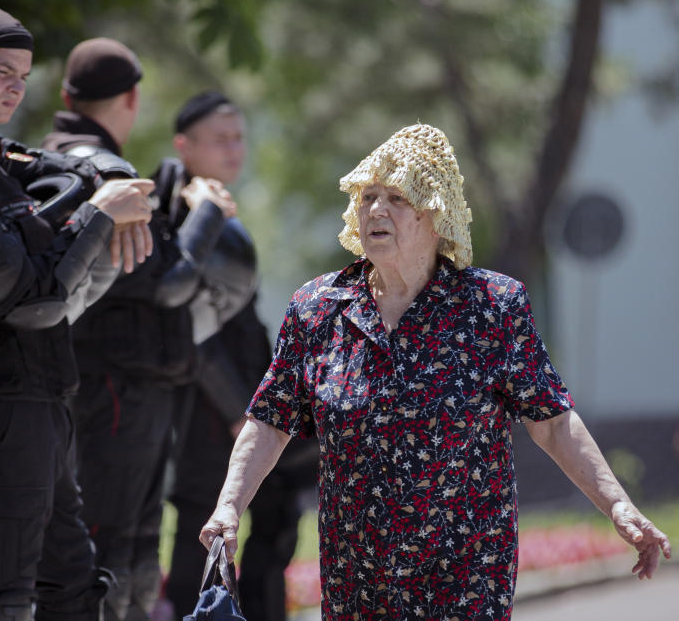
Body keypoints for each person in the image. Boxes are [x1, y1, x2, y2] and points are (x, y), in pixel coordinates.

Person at [201, 123, 672, 621]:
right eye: (368, 196)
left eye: (397, 198)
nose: (376, 210)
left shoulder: (492, 306)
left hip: (464, 576)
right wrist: (229, 507)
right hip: (358, 580)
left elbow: (552, 422)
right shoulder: (318, 308)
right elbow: (269, 421)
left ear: (434, 215)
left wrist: (618, 506)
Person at [0, 9, 156, 621]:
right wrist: (100, 215)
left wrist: (112, 179)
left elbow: (70, 167)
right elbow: (34, 301)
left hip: (33, 396)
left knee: (71, 582)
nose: (16, 87)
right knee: (5, 593)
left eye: (22, 75)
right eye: (0, 72)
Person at [42, 39, 236, 621]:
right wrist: (207, 212)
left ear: (66, 95)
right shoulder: (100, 170)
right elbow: (169, 282)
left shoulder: (55, 158)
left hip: (113, 381)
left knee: (132, 540)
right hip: (117, 383)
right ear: (131, 97)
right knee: (114, 540)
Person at [155, 92, 317, 621]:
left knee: (275, 522)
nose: (234, 148)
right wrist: (237, 413)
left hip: (250, 401)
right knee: (203, 531)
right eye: (219, 139)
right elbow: (193, 331)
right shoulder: (184, 218)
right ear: (185, 145)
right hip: (211, 411)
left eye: (238, 137)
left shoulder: (217, 208)